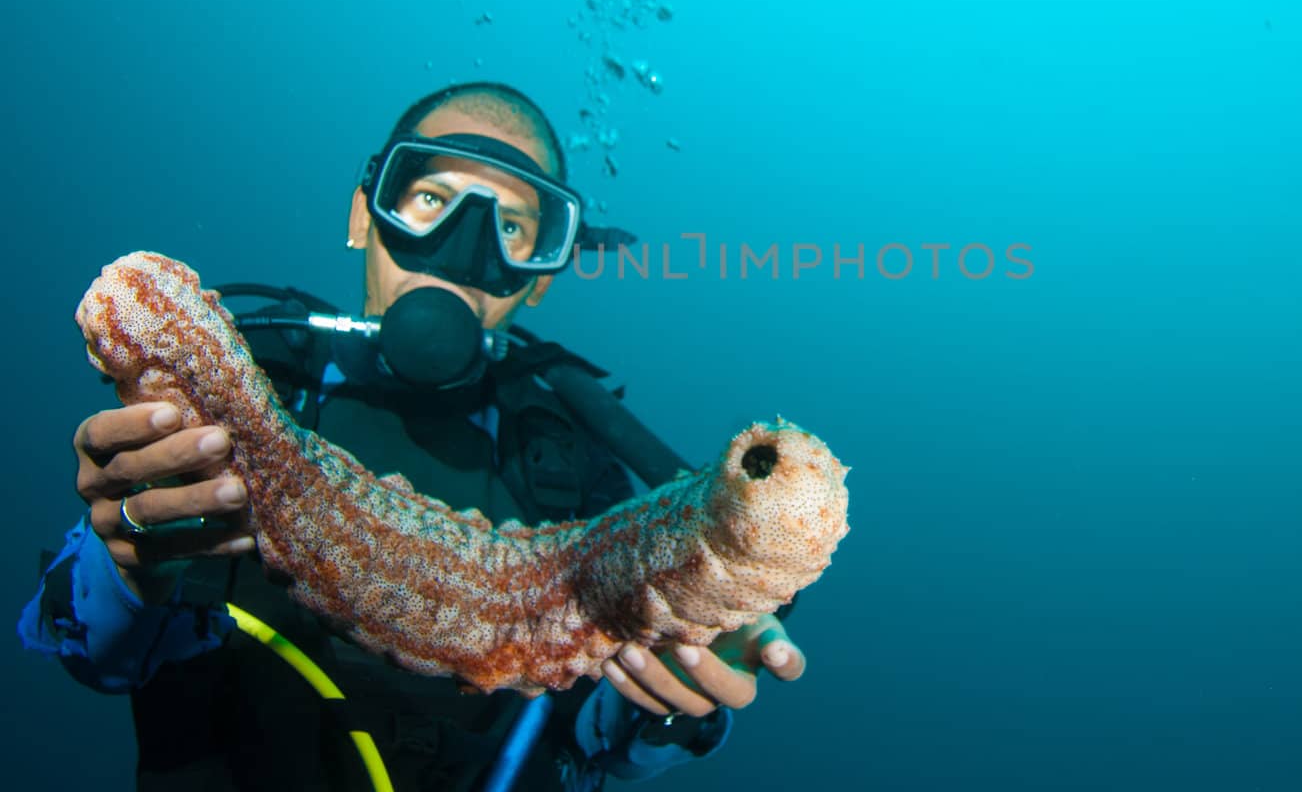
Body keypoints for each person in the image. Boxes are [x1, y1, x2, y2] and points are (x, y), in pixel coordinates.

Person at [19, 81, 807, 791]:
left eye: (513, 225)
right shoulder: (255, 386)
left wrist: (674, 706)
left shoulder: (568, 464)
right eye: (432, 197)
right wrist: (123, 564)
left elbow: (592, 740)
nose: (465, 246)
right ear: (366, 215)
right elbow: (90, 649)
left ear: (539, 275)